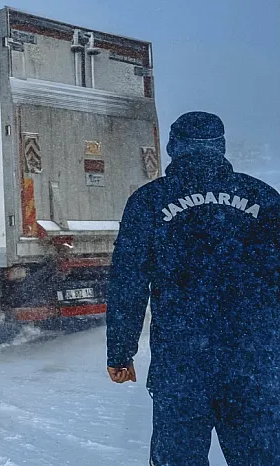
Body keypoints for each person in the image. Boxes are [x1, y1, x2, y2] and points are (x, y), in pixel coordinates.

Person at [106, 111, 280, 465]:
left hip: (181, 365)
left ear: (174, 147)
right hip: (254, 363)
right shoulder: (263, 198)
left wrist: (120, 353)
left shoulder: (150, 201)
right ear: (221, 147)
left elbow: (128, 283)